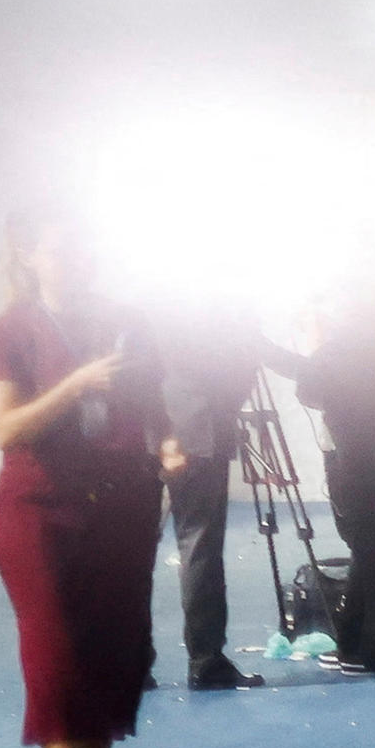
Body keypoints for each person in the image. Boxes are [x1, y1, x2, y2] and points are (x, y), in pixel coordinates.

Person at [0, 222, 168, 748]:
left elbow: (151, 403)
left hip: (122, 506)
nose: (76, 259)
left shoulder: (124, 321)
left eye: (85, 246)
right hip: (39, 510)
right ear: (30, 257)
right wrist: (73, 386)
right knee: (56, 650)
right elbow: (6, 429)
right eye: (60, 248)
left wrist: (167, 444)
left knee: (117, 653)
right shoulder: (7, 333)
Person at [287, 264, 375, 676]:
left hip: (356, 452)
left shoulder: (347, 342)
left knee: (371, 545)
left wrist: (315, 341)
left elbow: (310, 388)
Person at [146, 290, 261, 690]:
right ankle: (206, 659)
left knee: (134, 551)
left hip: (144, 434)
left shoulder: (143, 300)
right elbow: (241, 363)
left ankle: (132, 663)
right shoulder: (220, 300)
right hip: (200, 431)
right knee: (199, 546)